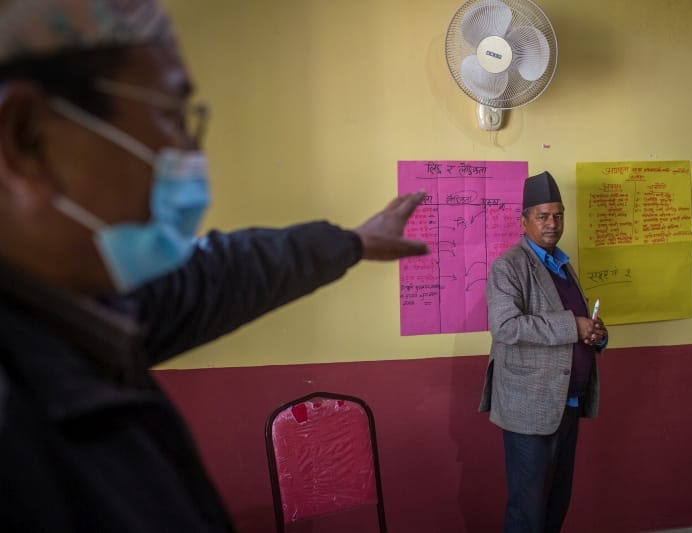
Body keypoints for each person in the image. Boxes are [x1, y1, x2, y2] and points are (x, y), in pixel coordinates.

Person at [0, 1, 428, 531]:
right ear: (25, 138)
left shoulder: (79, 310)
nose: (188, 152)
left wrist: (352, 244)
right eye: (170, 114)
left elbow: (220, 275)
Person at [479, 171, 608, 533]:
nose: (553, 224)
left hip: (566, 406)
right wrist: (573, 326)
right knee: (528, 512)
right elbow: (506, 327)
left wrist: (595, 333)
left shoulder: (563, 265)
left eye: (559, 215)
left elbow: (578, 321)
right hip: (529, 411)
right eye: (543, 216)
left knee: (555, 507)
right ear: (524, 221)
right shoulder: (509, 266)